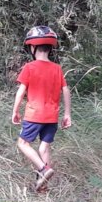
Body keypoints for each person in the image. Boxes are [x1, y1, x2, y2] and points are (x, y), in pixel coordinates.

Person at [11, 26, 72, 191]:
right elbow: (66, 90)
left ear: (33, 47)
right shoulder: (57, 68)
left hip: (34, 115)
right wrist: (67, 114)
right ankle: (43, 188)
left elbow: (21, 91)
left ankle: (43, 169)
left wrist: (15, 111)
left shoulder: (29, 67)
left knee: (23, 143)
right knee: (44, 148)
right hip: (52, 117)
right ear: (50, 48)